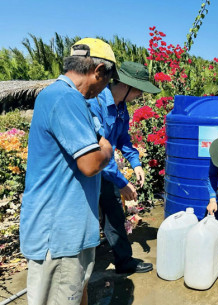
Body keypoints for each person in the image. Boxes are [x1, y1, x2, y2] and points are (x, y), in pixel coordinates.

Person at [20, 38, 116, 305]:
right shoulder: (65, 97)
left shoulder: (74, 100)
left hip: (71, 231)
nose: (104, 89)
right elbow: (92, 163)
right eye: (106, 81)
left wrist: (101, 144)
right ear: (98, 71)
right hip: (58, 233)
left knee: (77, 293)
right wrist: (107, 151)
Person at [87, 61, 160, 274]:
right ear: (126, 85)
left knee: (114, 215)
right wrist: (122, 182)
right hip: (88, 171)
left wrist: (135, 163)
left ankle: (124, 262)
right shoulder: (95, 103)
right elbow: (97, 149)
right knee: (88, 218)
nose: (140, 95)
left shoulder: (121, 108)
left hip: (105, 172)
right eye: (139, 90)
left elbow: (123, 140)